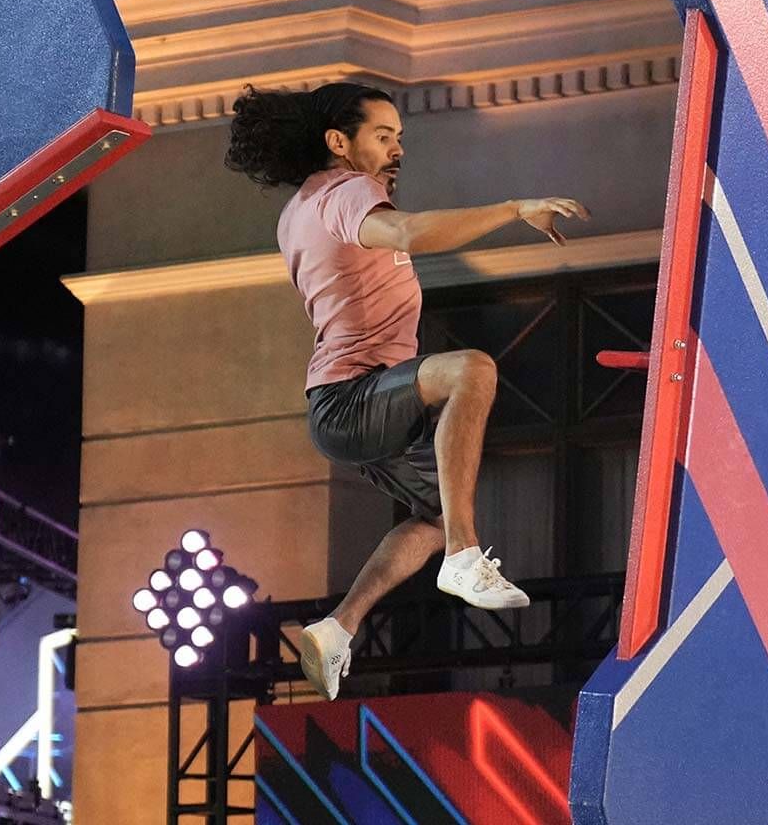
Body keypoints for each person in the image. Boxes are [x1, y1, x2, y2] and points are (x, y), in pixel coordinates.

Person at [223, 81, 591, 700]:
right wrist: (513, 208)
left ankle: (339, 627)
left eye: (400, 138)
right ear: (339, 143)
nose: (397, 150)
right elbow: (412, 232)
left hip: (345, 409)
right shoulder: (347, 191)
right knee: (471, 369)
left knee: (433, 514)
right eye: (383, 136)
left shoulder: (302, 210)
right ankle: (464, 555)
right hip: (352, 397)